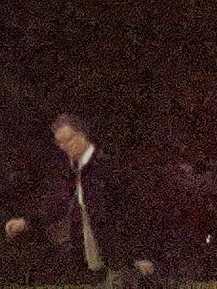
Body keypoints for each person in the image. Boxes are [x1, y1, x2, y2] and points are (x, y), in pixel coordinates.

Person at [9, 114, 165, 282]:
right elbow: (56, 205)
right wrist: (26, 222)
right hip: (89, 255)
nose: (64, 147)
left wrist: (140, 254)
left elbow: (131, 210)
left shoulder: (106, 166)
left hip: (119, 253)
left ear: (82, 135)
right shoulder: (71, 170)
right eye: (59, 142)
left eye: (67, 140)